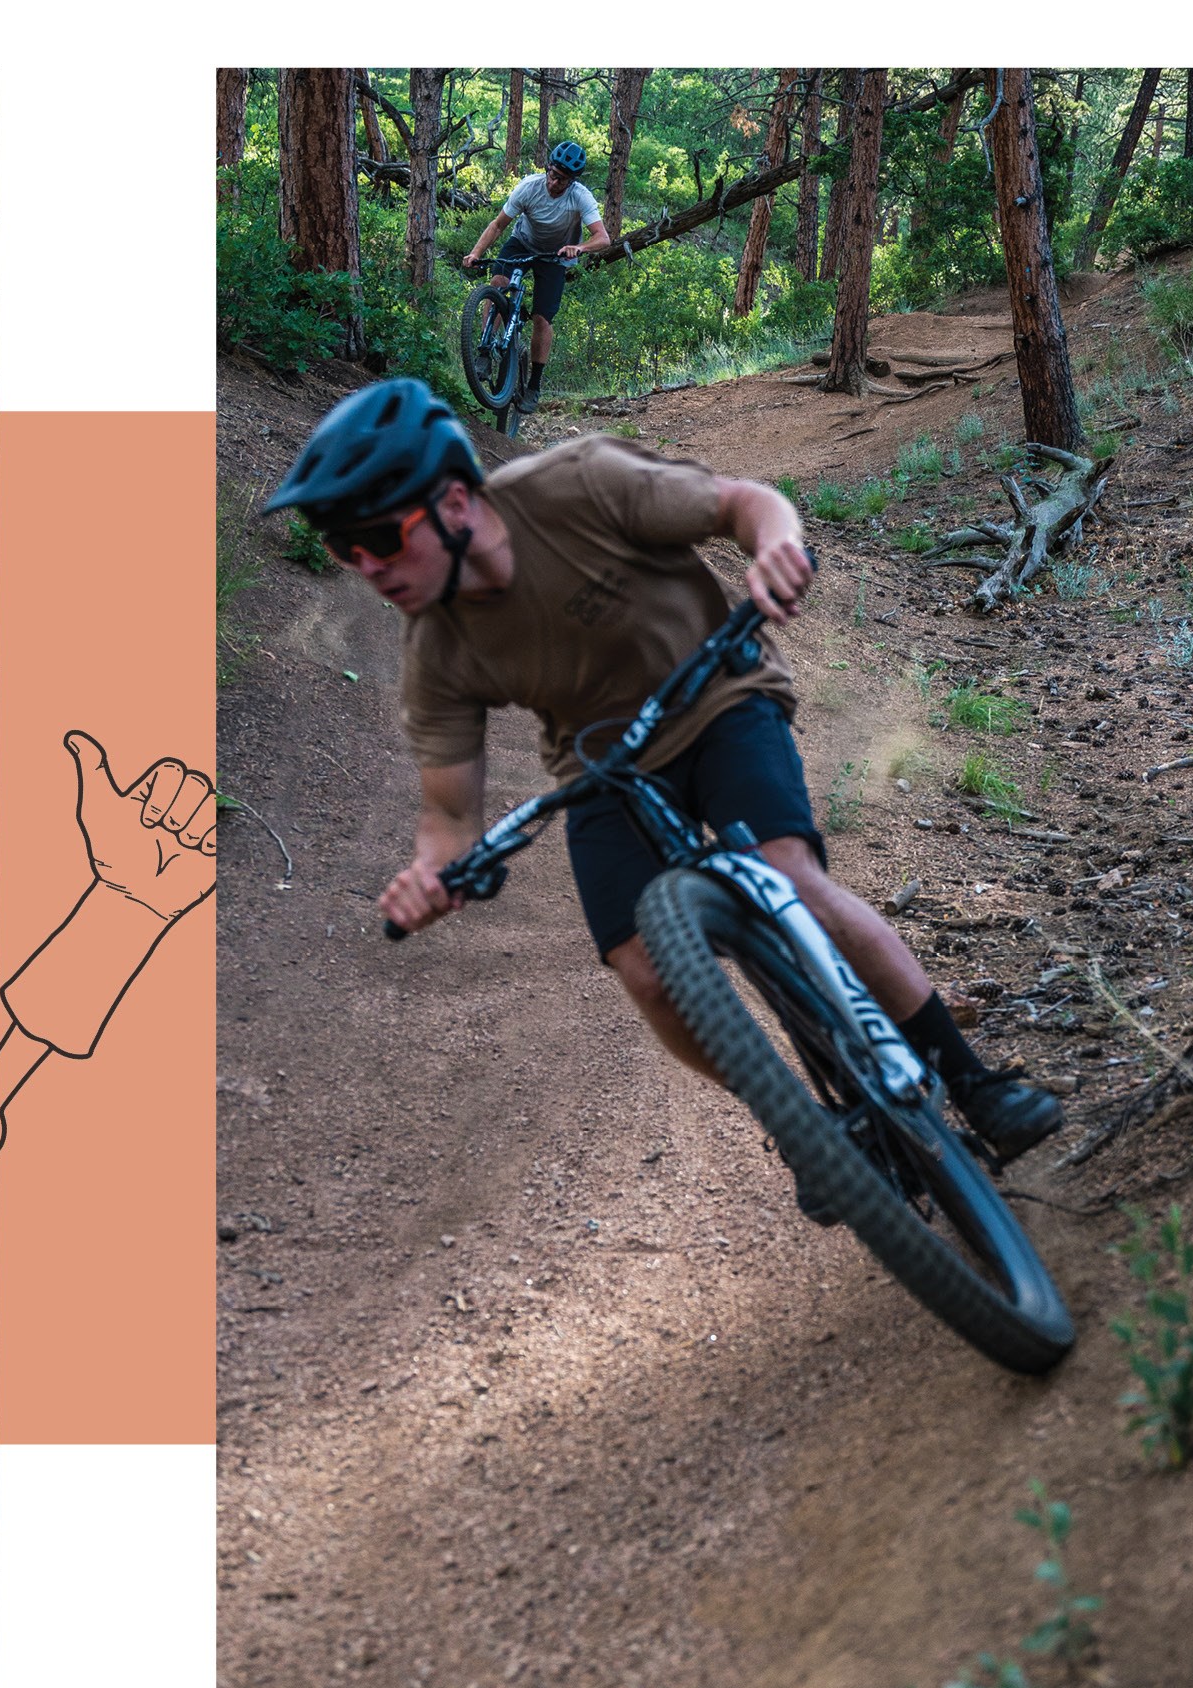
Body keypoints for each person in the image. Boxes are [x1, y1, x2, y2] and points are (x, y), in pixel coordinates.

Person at [258, 378, 1063, 1200]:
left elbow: (743, 504)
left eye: (378, 535)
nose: (365, 565)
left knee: (788, 875)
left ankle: (975, 1085)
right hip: (602, 769)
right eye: (340, 548)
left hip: (719, 695)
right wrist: (431, 873)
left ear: (456, 503)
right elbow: (451, 810)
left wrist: (776, 546)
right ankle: (804, 1128)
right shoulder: (437, 649)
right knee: (642, 965)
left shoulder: (573, 485)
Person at [461, 139, 609, 413]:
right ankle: (484, 352)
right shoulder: (528, 187)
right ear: (547, 168)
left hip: (556, 255)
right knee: (497, 283)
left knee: (542, 317)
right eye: (553, 175)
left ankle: (534, 385)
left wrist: (579, 247)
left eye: (563, 180)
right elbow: (497, 225)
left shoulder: (581, 197)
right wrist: (475, 253)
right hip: (522, 243)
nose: (555, 183)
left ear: (572, 181)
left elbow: (603, 238)